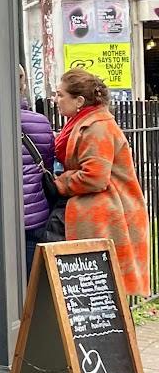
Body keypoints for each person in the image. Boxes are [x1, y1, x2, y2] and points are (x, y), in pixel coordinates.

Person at [53, 69, 151, 296]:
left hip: (111, 214)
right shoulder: (84, 123)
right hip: (105, 213)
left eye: (60, 95)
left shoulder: (97, 127)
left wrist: (61, 182)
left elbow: (94, 177)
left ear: (79, 100)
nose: (56, 100)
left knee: (103, 292)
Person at [19, 66, 55, 273]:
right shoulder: (40, 122)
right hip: (35, 214)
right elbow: (47, 166)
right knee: (31, 281)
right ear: (23, 84)